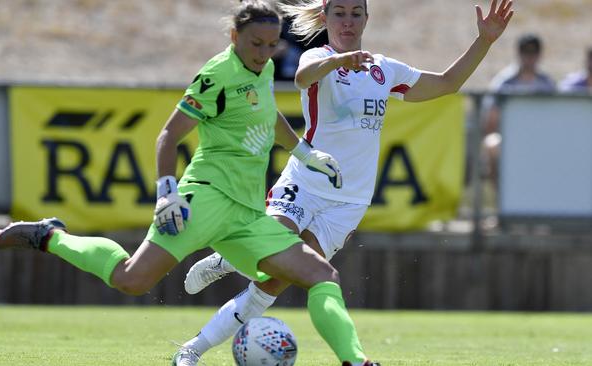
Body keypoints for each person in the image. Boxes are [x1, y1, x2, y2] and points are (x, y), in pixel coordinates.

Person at [0, 1, 383, 366]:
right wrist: (167, 192)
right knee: (132, 279)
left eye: (271, 44)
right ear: (234, 37)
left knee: (321, 275)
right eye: (255, 44)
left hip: (248, 214)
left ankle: (356, 361)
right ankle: (51, 236)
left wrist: (305, 153)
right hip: (206, 199)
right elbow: (168, 137)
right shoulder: (216, 76)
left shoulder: (262, 68)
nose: (264, 53)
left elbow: (268, 112)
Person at [175, 0, 514, 365]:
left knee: (272, 283)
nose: (348, 21)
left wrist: (485, 42)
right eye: (340, 13)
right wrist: (339, 61)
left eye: (356, 13)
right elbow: (303, 78)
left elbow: (447, 83)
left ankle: (196, 339)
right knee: (270, 257)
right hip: (304, 184)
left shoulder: (383, 69)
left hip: (348, 202)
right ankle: (213, 297)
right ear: (325, 18)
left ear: (367, 18)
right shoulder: (317, 57)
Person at [482, 34, 556, 188]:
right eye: (525, 52)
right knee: (492, 144)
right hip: (509, 136)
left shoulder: (547, 83)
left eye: (533, 52)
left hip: (541, 137)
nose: (529, 57)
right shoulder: (503, 83)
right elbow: (491, 122)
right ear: (519, 53)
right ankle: (500, 198)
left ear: (539, 55)